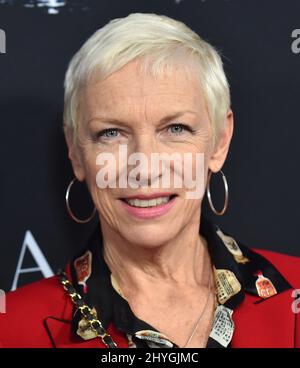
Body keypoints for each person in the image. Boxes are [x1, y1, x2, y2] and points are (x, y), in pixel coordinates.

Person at [1, 12, 300, 348]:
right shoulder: (10, 329)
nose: (144, 167)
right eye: (111, 133)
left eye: (175, 129)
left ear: (219, 141)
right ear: (75, 150)